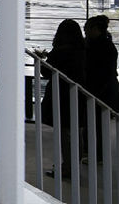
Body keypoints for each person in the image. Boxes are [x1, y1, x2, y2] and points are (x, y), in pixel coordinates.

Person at [40, 19, 86, 177]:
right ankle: (73, 166)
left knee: (65, 134)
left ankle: (67, 169)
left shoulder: (60, 51)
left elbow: (46, 72)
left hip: (61, 95)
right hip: (79, 94)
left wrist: (42, 60)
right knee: (77, 132)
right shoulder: (83, 50)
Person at [83, 15, 119, 160]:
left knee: (95, 124)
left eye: (87, 28)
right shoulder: (106, 45)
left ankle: (96, 154)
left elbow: (100, 72)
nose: (85, 31)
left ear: (95, 29)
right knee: (98, 124)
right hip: (104, 90)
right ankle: (95, 153)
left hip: (99, 90)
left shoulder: (97, 46)